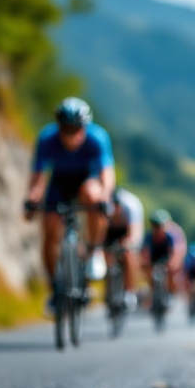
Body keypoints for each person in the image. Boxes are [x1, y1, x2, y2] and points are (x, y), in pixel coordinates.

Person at [22, 98, 114, 313]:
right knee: (50, 230)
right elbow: (38, 176)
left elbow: (106, 173)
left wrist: (105, 196)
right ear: (59, 126)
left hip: (86, 180)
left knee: (93, 195)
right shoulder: (47, 138)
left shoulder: (97, 138)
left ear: (85, 127)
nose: (71, 135)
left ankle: (94, 251)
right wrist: (33, 198)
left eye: (76, 129)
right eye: (66, 129)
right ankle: (55, 289)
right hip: (60, 183)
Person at [104, 186, 144, 298]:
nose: (114, 211)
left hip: (127, 230)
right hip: (111, 231)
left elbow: (134, 234)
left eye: (116, 207)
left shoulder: (131, 207)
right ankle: (109, 285)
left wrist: (128, 243)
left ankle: (130, 292)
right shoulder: (105, 209)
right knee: (104, 253)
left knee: (129, 254)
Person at [141, 209, 180, 296]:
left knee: (172, 270)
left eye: (159, 226)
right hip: (154, 257)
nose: (157, 229)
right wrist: (144, 261)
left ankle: (171, 291)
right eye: (154, 225)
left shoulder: (169, 237)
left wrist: (172, 263)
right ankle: (152, 288)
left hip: (165, 257)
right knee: (146, 268)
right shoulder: (149, 236)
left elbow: (173, 252)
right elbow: (144, 251)